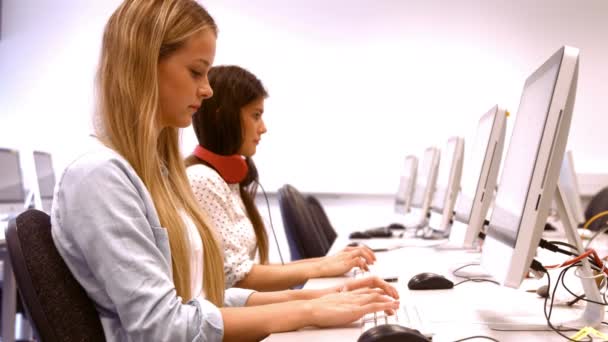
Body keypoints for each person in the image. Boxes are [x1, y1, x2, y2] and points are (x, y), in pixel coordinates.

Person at [51, 1, 399, 341]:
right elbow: (163, 327)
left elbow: (205, 301)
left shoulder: (156, 173)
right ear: (144, 65)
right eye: (195, 71)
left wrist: (316, 298)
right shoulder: (99, 176)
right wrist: (305, 312)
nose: (207, 89)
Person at [186, 65, 377, 291]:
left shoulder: (227, 182)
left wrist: (327, 263)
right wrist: (320, 268)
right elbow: (235, 277)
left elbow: (243, 270)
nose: (263, 128)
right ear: (224, 117)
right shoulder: (201, 180)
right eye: (256, 115)